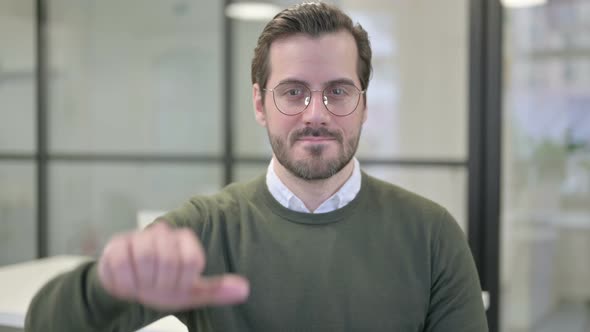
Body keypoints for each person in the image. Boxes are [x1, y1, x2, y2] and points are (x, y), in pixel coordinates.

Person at [25, 2, 488, 331]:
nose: (316, 114)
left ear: (364, 105)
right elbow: (45, 323)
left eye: (339, 91)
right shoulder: (207, 228)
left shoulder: (431, 235)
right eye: (292, 92)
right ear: (259, 104)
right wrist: (104, 285)